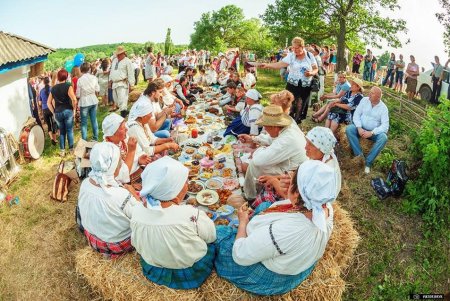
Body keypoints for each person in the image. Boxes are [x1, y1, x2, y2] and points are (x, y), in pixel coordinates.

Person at [214, 159, 338, 296]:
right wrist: (290, 191)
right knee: (264, 205)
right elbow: (297, 205)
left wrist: (243, 222)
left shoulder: (288, 231)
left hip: (274, 277)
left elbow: (240, 255)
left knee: (221, 237)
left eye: (293, 180)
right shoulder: (323, 205)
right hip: (297, 262)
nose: (289, 180)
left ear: (298, 193)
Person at [131, 156, 216, 289]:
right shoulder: (191, 214)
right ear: (174, 190)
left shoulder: (136, 211)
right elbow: (211, 237)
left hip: (155, 270)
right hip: (191, 272)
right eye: (185, 182)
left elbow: (136, 243)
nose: (187, 184)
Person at [77, 142, 140, 258]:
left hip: (93, 238)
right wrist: (133, 193)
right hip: (116, 243)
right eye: (119, 161)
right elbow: (142, 217)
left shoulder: (85, 183)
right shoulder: (120, 195)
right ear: (111, 166)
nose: (121, 164)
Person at [242, 105, 308, 200]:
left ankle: (251, 196)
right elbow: (272, 138)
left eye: (265, 126)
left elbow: (258, 161)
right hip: (292, 165)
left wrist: (259, 150)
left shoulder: (287, 139)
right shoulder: (287, 127)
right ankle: (255, 191)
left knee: (253, 165)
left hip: (294, 173)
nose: (265, 129)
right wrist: (253, 139)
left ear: (274, 126)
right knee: (255, 161)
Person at [260, 37, 318, 123]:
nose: (294, 50)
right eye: (293, 48)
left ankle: (296, 122)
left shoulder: (310, 56)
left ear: (302, 46)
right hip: (292, 84)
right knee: (288, 103)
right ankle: (286, 120)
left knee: (300, 105)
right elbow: (280, 64)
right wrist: (267, 65)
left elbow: (316, 69)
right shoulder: (291, 55)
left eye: (297, 48)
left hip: (305, 85)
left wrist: (311, 73)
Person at [102, 113, 153, 189]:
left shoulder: (124, 138)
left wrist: (139, 159)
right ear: (112, 133)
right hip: (127, 184)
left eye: (125, 126)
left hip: (139, 172)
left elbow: (139, 152)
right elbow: (121, 177)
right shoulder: (107, 151)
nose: (127, 129)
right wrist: (131, 151)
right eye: (122, 128)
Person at [345, 86, 389, 174]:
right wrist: (359, 127)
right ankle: (360, 157)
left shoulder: (383, 108)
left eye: (372, 93)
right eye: (370, 92)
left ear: (378, 97)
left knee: (383, 137)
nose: (369, 94)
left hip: (373, 133)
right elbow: (356, 115)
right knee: (349, 129)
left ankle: (368, 163)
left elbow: (385, 126)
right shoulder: (364, 100)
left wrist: (372, 132)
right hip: (361, 128)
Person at [47, 69, 77, 157]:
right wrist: (74, 110)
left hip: (58, 112)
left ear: (58, 77)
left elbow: (48, 102)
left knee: (62, 132)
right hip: (67, 111)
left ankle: (62, 151)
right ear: (66, 76)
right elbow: (74, 99)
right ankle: (71, 149)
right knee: (69, 131)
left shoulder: (53, 88)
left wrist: (53, 112)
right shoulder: (68, 86)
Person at [109, 46, 136, 117]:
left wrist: (131, 84)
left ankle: (123, 115)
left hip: (122, 83)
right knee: (116, 100)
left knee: (122, 100)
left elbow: (131, 73)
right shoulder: (114, 61)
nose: (117, 55)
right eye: (117, 54)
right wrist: (110, 81)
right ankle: (125, 111)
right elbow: (112, 71)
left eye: (119, 54)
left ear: (123, 53)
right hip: (114, 84)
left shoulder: (127, 61)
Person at [76, 62, 100, 141]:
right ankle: (95, 138)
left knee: (84, 123)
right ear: (89, 69)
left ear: (81, 70)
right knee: (94, 120)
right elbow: (97, 89)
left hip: (85, 101)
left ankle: (84, 140)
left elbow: (78, 94)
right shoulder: (94, 78)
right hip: (93, 99)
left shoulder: (80, 80)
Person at [39, 77, 58, 145]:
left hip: (45, 109)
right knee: (54, 124)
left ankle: (51, 138)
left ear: (43, 83)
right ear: (49, 81)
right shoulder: (52, 89)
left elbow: (39, 103)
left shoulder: (41, 91)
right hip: (52, 108)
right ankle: (55, 139)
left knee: (49, 125)